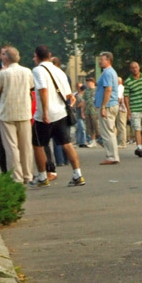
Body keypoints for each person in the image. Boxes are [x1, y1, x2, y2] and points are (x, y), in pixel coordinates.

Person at [30, 45, 85, 187]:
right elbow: (68, 94)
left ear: (37, 56)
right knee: (67, 144)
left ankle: (42, 177)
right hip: (61, 113)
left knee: (38, 145)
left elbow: (43, 90)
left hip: (44, 115)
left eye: (34, 56)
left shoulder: (37, 70)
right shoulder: (59, 71)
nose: (33, 59)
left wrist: (45, 112)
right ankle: (77, 174)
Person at [0, 47, 34, 184]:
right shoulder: (27, 71)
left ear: (6, 58)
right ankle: (28, 175)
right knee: (26, 146)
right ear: (19, 57)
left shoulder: (4, 74)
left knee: (11, 147)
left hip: (7, 113)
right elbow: (31, 86)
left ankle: (17, 177)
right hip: (24, 112)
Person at [95, 51, 120, 165]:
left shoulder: (107, 73)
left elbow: (108, 89)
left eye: (102, 59)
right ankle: (113, 155)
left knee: (107, 132)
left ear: (108, 60)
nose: (100, 61)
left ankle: (111, 156)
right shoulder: (110, 72)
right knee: (110, 131)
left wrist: (103, 106)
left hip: (108, 105)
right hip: (111, 104)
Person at [83, 77, 100, 147]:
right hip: (88, 111)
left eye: (89, 82)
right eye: (87, 82)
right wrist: (83, 111)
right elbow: (84, 101)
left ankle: (101, 139)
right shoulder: (86, 91)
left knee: (97, 126)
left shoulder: (97, 90)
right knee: (90, 127)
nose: (87, 84)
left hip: (95, 111)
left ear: (93, 82)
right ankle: (93, 141)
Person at [116, 77, 128, 148]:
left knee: (121, 126)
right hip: (122, 108)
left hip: (121, 109)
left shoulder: (119, 88)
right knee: (120, 125)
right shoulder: (121, 88)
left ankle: (122, 143)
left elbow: (119, 98)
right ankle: (120, 142)